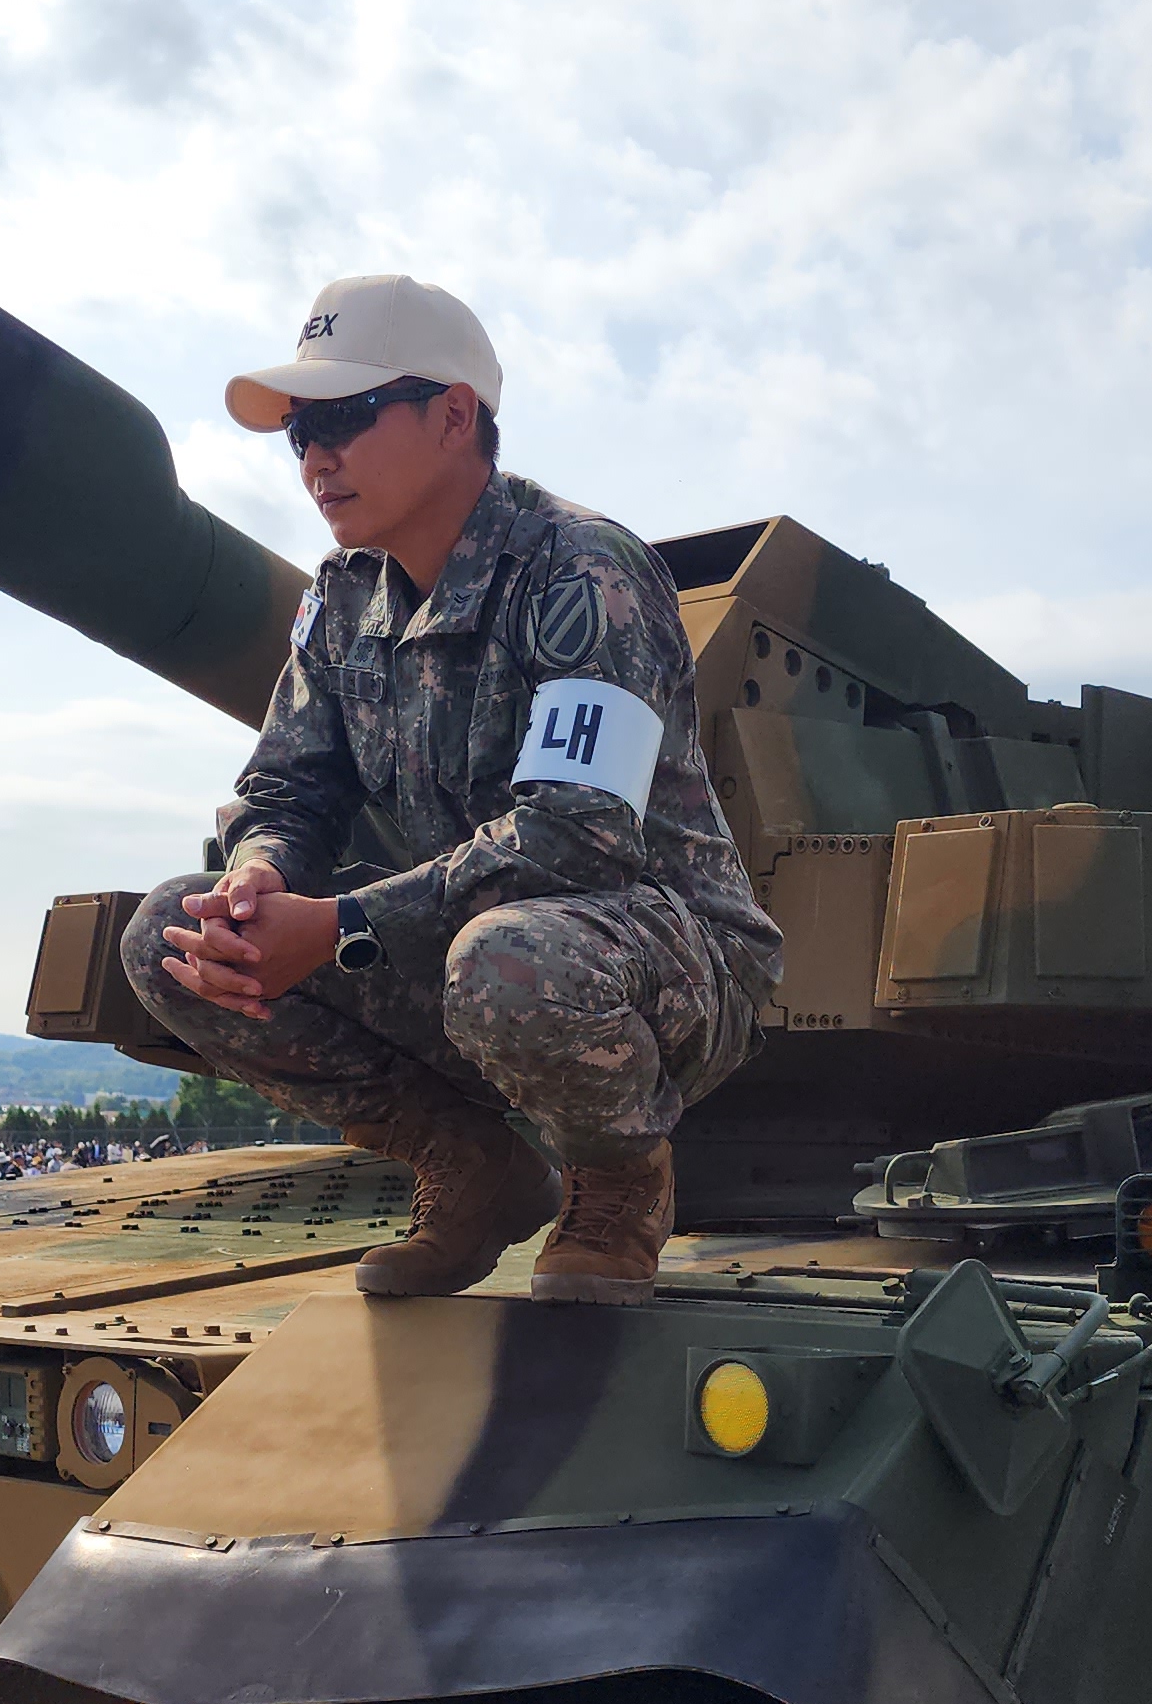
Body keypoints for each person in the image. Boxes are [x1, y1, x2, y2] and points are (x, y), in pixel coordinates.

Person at [120, 275, 778, 1305]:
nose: (315, 457)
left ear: (454, 416)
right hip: (462, 942)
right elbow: (288, 788)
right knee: (171, 938)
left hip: (660, 960)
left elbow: (575, 837)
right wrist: (258, 877)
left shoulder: (584, 573)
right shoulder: (344, 599)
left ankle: (618, 1176)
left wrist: (337, 925)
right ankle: (469, 1166)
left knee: (509, 956)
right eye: (299, 432)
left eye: (344, 416)